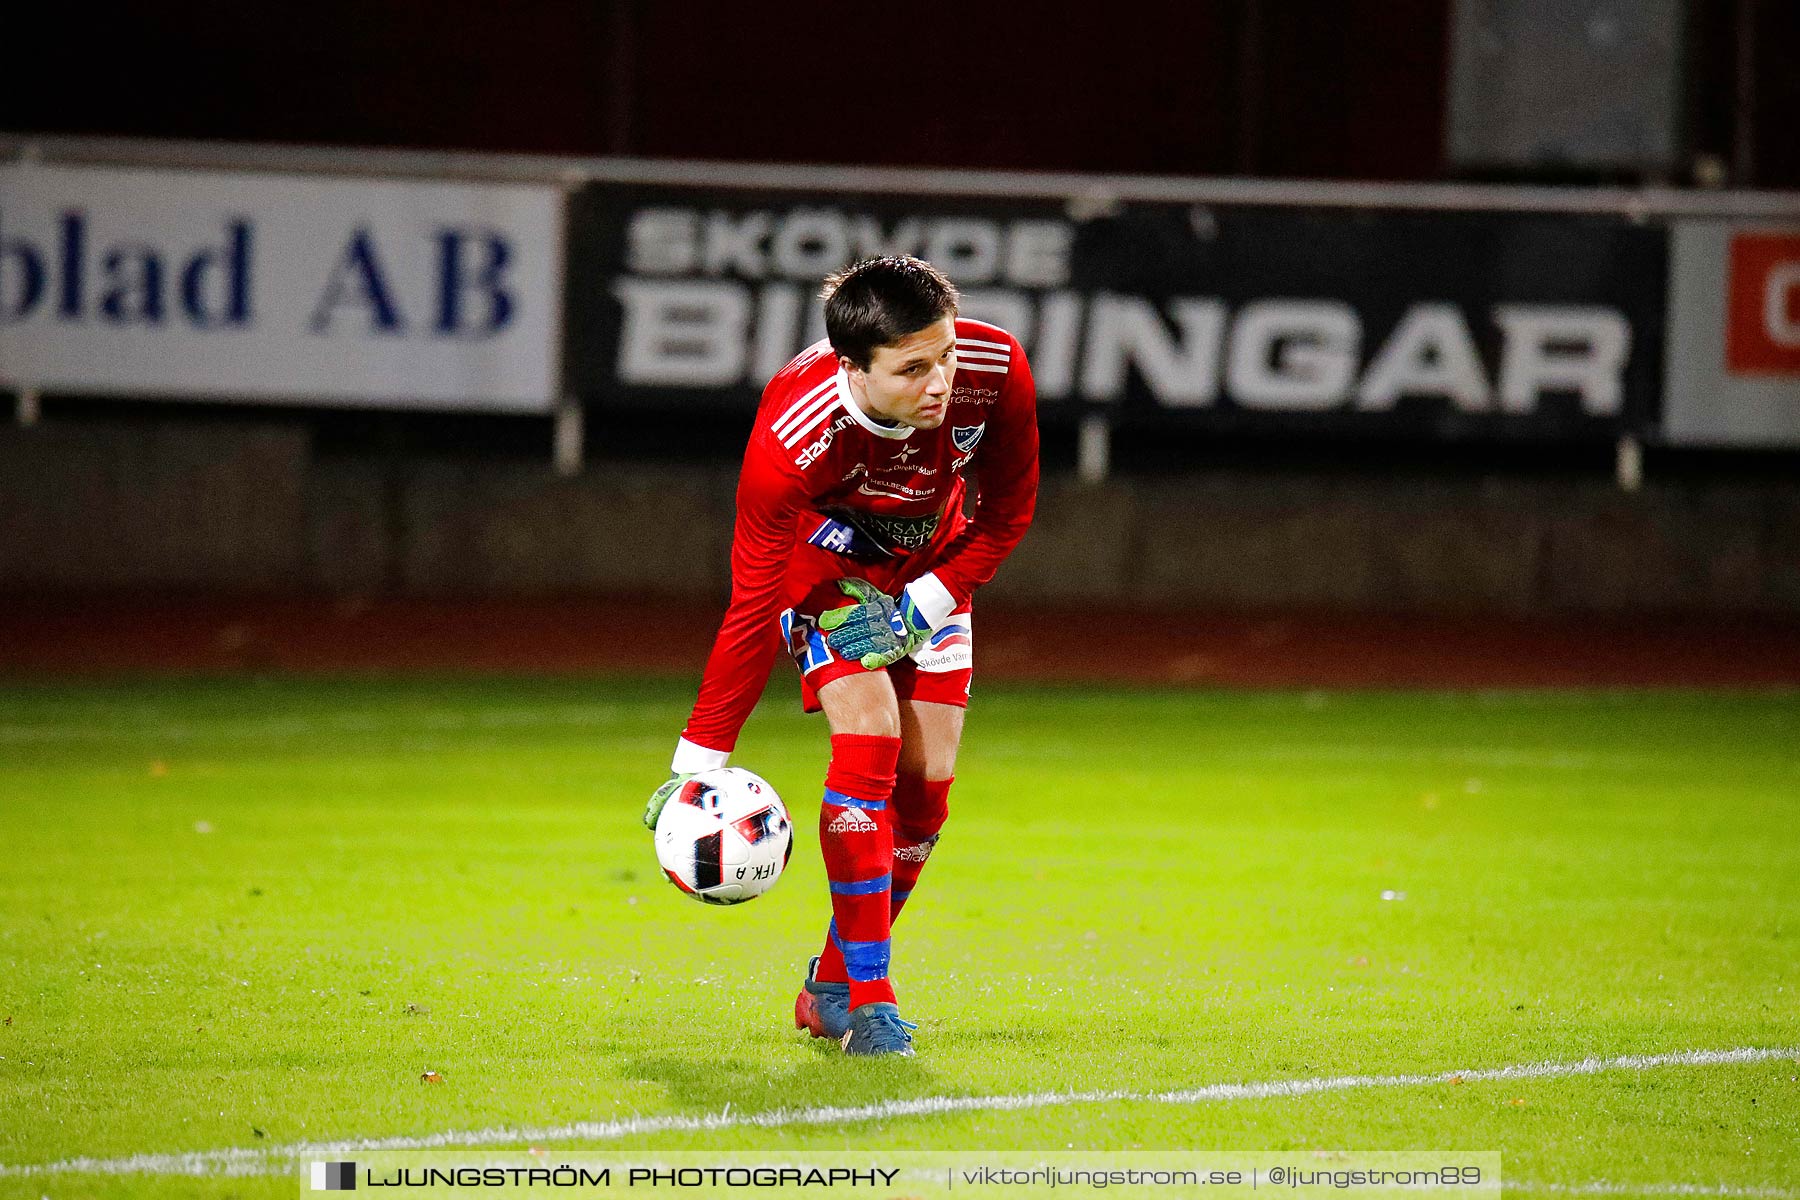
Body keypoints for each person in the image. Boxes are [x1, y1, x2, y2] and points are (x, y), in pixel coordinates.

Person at [643, 255, 1039, 1056]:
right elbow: (752, 601)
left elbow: (1010, 511)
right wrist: (700, 756)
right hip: (828, 579)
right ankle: (873, 999)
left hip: (937, 573)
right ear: (852, 366)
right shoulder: (793, 439)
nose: (941, 382)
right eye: (913, 368)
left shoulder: (993, 368)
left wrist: (926, 604)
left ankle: (827, 986)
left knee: (925, 794)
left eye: (946, 354)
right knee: (872, 740)